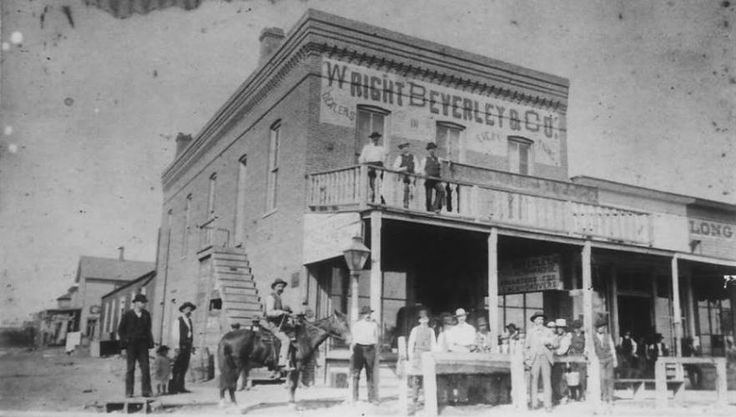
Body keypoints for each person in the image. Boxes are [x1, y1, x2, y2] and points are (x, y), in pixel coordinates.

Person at [117, 293, 154, 398]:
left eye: (144, 303)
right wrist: (123, 346)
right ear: (136, 303)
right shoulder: (127, 315)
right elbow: (121, 330)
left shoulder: (146, 315)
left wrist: (150, 345)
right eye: (142, 302)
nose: (144, 304)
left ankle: (146, 391)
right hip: (131, 345)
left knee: (145, 368)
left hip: (143, 345)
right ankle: (129, 392)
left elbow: (148, 330)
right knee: (130, 368)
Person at [524, 311, 556, 412]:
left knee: (547, 381)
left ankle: (548, 404)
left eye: (542, 319)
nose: (540, 321)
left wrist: (549, 342)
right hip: (535, 358)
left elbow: (555, 344)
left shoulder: (548, 331)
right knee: (534, 381)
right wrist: (528, 358)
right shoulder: (530, 332)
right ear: (534, 321)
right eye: (538, 319)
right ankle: (534, 404)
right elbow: (526, 346)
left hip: (545, 358)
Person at [407, 309, 437, 407]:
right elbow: (411, 343)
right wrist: (411, 356)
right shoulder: (415, 330)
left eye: (425, 318)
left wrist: (433, 355)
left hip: (428, 355)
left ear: (428, 319)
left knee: (427, 377)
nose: (423, 320)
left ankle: (426, 398)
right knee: (416, 377)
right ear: (419, 320)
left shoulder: (431, 330)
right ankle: (415, 398)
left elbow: (434, 344)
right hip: (417, 355)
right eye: (421, 318)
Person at [263, 278, 294, 371]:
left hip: (279, 324)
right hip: (273, 325)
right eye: (279, 286)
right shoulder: (271, 297)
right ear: (274, 287)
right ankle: (282, 363)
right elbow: (269, 312)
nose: (281, 288)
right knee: (286, 340)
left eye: (282, 287)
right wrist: (282, 312)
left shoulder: (278, 297)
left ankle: (289, 361)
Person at [351, 306, 380, 404]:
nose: (368, 315)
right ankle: (355, 397)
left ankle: (371, 398)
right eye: (366, 313)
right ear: (362, 315)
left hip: (370, 349)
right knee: (356, 373)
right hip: (359, 349)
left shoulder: (374, 325)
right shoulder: (357, 325)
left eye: (369, 313)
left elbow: (376, 339)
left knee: (370, 374)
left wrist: (374, 350)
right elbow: (354, 339)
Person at [170, 301, 196, 394]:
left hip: (188, 347)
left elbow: (190, 334)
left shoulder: (189, 321)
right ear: (183, 310)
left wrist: (192, 346)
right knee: (177, 367)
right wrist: (177, 347)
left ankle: (181, 387)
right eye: (187, 309)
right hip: (181, 346)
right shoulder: (178, 320)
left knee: (184, 367)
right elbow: (175, 334)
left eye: (190, 309)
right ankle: (173, 388)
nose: (189, 311)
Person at [592, 316, 617, 411]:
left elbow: (612, 347)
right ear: (596, 328)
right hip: (600, 360)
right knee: (602, 379)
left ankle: (610, 398)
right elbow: (591, 349)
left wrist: (615, 360)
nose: (601, 328)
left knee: (610, 378)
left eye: (603, 326)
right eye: (599, 326)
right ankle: (604, 398)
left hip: (609, 359)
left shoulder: (608, 336)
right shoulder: (594, 337)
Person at [358, 131, 387, 204]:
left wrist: (382, 165)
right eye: (374, 138)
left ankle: (378, 197)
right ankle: (377, 198)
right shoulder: (367, 147)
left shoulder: (381, 148)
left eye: (377, 138)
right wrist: (364, 164)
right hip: (371, 166)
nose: (375, 139)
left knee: (379, 183)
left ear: (378, 138)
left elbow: (383, 159)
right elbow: (362, 158)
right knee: (372, 182)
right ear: (371, 139)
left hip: (379, 166)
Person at [418, 142, 445, 213]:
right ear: (428, 150)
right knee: (428, 197)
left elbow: (443, 167)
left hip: (436, 179)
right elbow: (421, 170)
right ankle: (428, 210)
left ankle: (435, 207)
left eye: (433, 149)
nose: (432, 151)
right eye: (430, 149)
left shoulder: (438, 159)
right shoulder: (425, 159)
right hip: (429, 179)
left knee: (441, 190)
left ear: (435, 150)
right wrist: (425, 175)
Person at [551, 318, 571, 405]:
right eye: (558, 327)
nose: (559, 329)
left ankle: (564, 396)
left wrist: (553, 351)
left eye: (561, 327)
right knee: (554, 378)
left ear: (564, 328)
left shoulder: (566, 338)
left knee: (562, 379)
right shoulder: (555, 337)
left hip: (562, 360)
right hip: (554, 361)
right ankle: (557, 396)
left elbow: (562, 350)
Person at [392, 142, 418, 209]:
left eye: (406, 147)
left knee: (413, 191)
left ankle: (412, 206)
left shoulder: (413, 157)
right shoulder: (400, 157)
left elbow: (417, 168)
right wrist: (403, 168)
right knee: (405, 188)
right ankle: (405, 204)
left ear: (408, 148)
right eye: (403, 148)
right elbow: (395, 168)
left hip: (411, 177)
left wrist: (415, 174)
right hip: (403, 177)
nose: (404, 149)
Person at [567, 319, 586, 401]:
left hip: (581, 357)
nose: (576, 329)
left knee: (582, 377)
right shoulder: (570, 335)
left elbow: (587, 347)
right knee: (573, 376)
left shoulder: (584, 335)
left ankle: (581, 395)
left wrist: (585, 354)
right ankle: (574, 395)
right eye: (575, 328)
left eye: (578, 327)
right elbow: (568, 346)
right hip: (573, 357)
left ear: (580, 328)